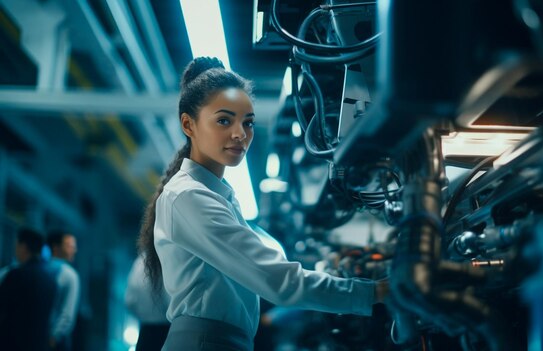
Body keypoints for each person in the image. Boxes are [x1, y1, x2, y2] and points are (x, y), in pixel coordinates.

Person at [137, 56, 389, 351]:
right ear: (188, 124)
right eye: (223, 120)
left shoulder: (217, 196)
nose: (239, 134)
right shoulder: (190, 197)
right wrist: (376, 292)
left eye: (248, 122)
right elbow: (277, 280)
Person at [0, 228, 59, 351]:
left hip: (13, 344)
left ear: (23, 246)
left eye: (17, 245)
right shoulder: (51, 280)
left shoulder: (16, 275)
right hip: (39, 345)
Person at [125, 253, 170, 351]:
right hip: (167, 331)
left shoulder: (138, 264)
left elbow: (129, 301)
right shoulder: (167, 260)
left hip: (146, 331)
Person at [47, 230, 81, 351]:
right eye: (69, 246)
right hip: (56, 341)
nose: (74, 250)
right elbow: (67, 314)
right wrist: (54, 337)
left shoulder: (42, 269)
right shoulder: (69, 274)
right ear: (55, 248)